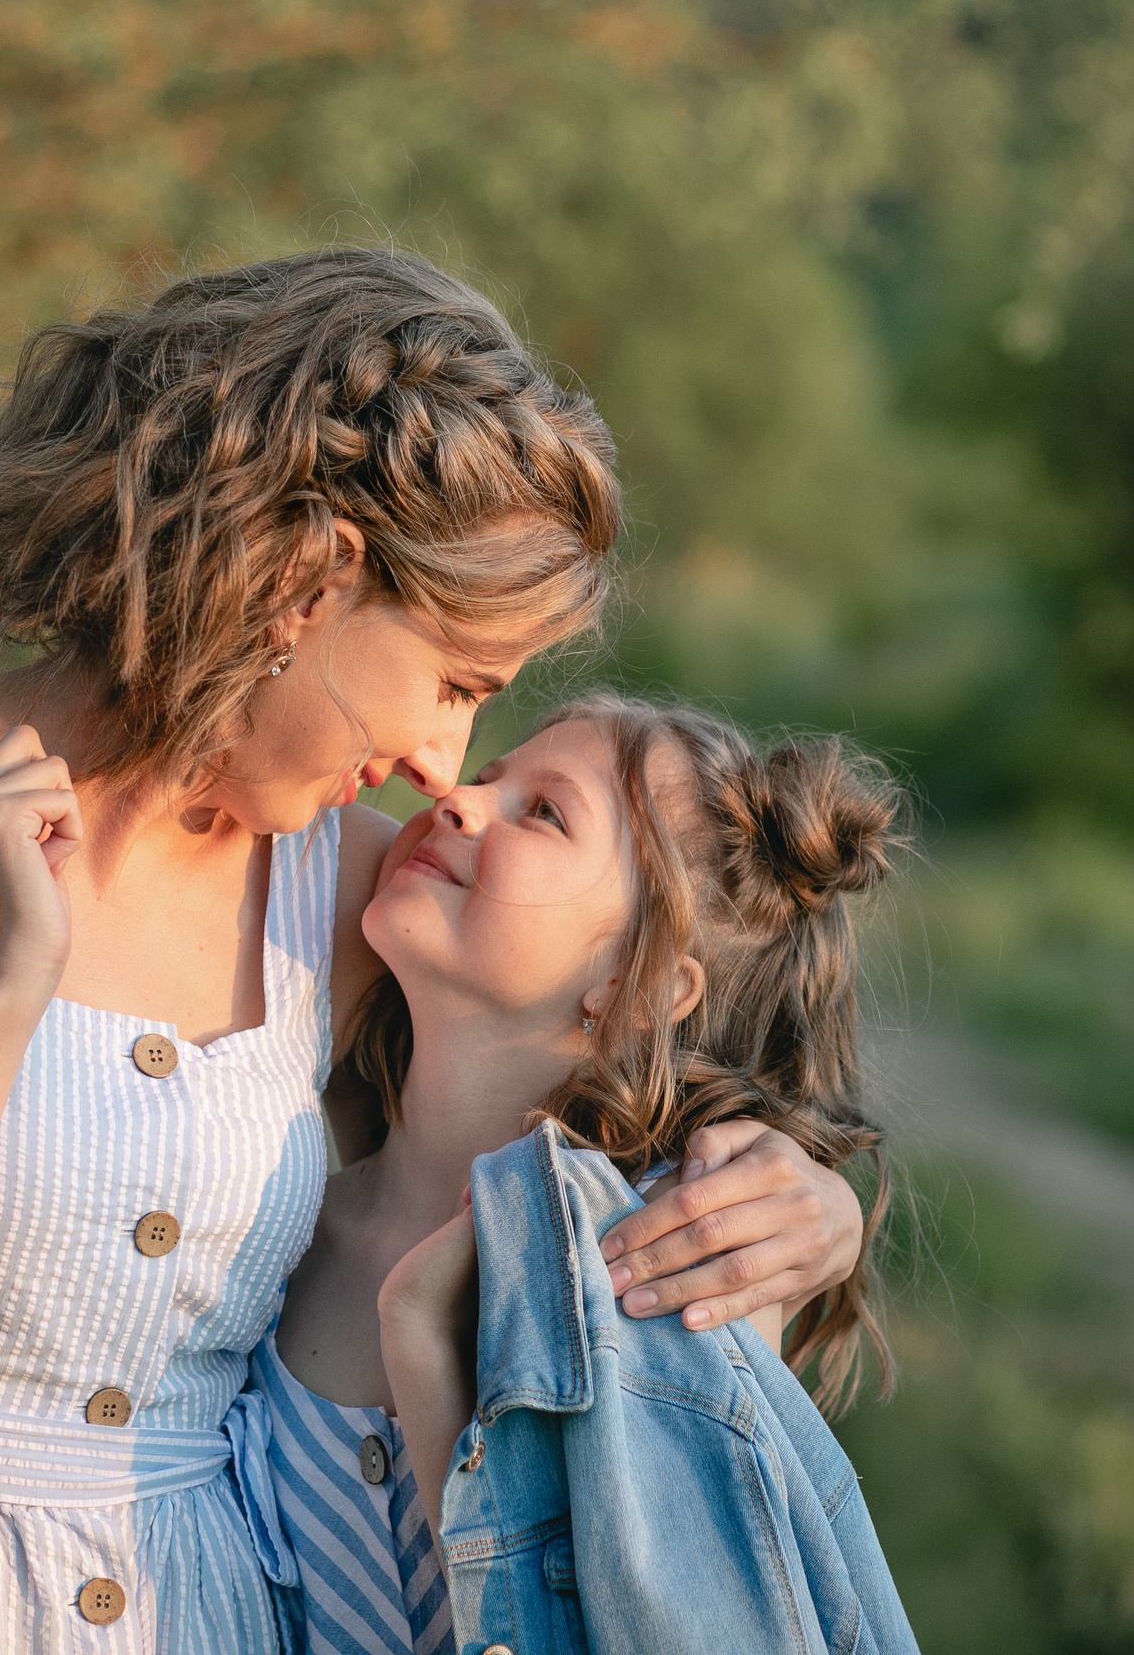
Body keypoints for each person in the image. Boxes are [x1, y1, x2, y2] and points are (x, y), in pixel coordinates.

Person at [0, 248, 864, 1653]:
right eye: (451, 682)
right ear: (308, 577)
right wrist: (2, 991)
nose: (444, 762)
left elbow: (597, 1052)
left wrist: (801, 1200)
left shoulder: (349, 892)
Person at [253, 695, 915, 1653]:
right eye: (487, 779)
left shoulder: (658, 1273)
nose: (456, 802)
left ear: (637, 987)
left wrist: (427, 1352)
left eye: (542, 812)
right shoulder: (273, 1209)